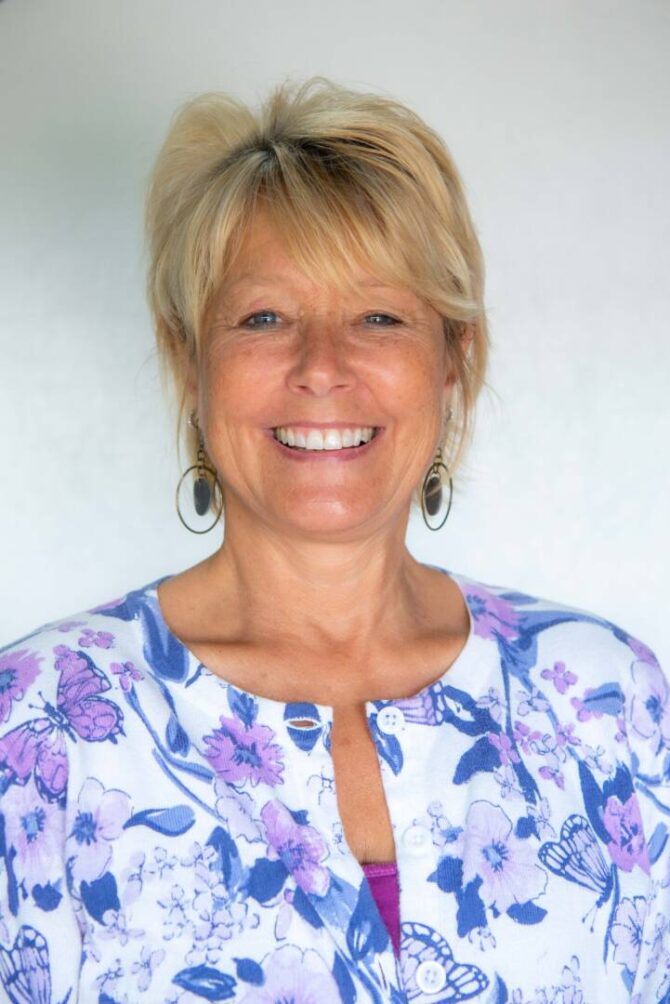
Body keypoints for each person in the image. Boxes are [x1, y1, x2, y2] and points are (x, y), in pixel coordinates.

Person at [0, 76, 667, 1004]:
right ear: (189, 358)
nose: (322, 367)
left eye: (379, 317)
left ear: (452, 360)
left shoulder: (611, 702)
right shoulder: (35, 729)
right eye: (264, 317)